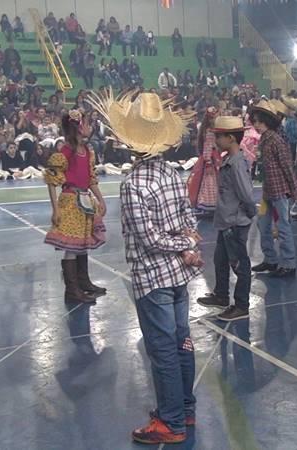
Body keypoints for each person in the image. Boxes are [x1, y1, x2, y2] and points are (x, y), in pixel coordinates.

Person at [91, 91, 203, 444]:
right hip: (179, 274)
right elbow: (188, 217)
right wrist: (188, 244)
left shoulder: (133, 184)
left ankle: (171, 422)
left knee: (163, 349)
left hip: (153, 278)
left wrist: (183, 243)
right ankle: (185, 408)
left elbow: (149, 239)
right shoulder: (172, 173)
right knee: (182, 342)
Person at [43, 110, 107, 303]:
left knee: (82, 242)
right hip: (71, 201)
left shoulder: (87, 151)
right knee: (72, 246)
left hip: (85, 200)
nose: (90, 126)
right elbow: (52, 180)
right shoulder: (66, 152)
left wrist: (101, 200)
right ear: (79, 127)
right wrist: (55, 209)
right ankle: (72, 289)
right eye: (87, 123)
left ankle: (83, 282)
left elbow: (91, 179)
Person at [196, 116, 257, 321]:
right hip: (226, 219)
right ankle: (221, 295)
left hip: (234, 221)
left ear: (231, 138)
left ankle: (241, 305)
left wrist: (249, 213)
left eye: (219, 136)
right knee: (220, 259)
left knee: (239, 264)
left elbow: (246, 194)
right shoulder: (228, 160)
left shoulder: (237, 163)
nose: (216, 140)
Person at [250, 100, 297, 277]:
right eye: (255, 122)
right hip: (268, 191)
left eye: (259, 122)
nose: (256, 125)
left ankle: (289, 263)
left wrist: (295, 188)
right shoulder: (264, 139)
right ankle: (270, 259)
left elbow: (287, 165)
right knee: (263, 224)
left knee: (283, 227)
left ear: (267, 121)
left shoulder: (275, 140)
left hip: (279, 191)